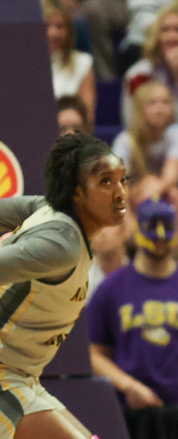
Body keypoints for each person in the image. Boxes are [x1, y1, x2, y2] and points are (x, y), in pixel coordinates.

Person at [0, 133, 127, 438]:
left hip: (21, 376)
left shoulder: (47, 211)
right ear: (77, 193)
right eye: (106, 182)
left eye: (123, 179)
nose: (121, 193)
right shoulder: (62, 246)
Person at [87, 199, 178, 412]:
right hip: (129, 412)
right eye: (152, 226)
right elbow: (94, 353)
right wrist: (128, 386)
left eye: (166, 227)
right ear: (137, 229)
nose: (159, 236)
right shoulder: (110, 289)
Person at [112, 81, 178, 237]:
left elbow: (172, 176)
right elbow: (117, 186)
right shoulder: (125, 141)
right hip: (128, 198)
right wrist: (130, 224)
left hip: (158, 192)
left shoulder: (174, 134)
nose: (160, 109)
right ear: (140, 109)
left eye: (165, 102)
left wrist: (152, 189)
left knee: (175, 194)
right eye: (152, 103)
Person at [44, 0, 96, 125]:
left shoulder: (82, 63)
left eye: (60, 26)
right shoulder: (22, 65)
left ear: (69, 31)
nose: (53, 33)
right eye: (46, 26)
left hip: (69, 138)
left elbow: (87, 118)